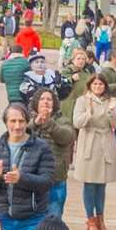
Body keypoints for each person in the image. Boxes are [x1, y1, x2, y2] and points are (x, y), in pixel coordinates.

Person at [73, 72, 116, 230]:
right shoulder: (82, 100)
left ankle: (101, 219)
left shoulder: (111, 102)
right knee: (89, 184)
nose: (98, 87)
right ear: (90, 86)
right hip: (89, 143)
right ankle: (90, 219)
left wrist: (111, 112)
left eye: (100, 84)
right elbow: (76, 122)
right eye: (95, 84)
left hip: (105, 142)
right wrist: (89, 113)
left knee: (101, 185)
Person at [29, 87, 75, 220]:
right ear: (36, 103)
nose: (45, 102)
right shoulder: (27, 120)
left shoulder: (63, 120)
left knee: (53, 220)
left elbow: (67, 137)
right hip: (32, 178)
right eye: (42, 99)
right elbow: (18, 135)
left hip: (56, 178)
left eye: (49, 99)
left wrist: (48, 123)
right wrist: (35, 124)